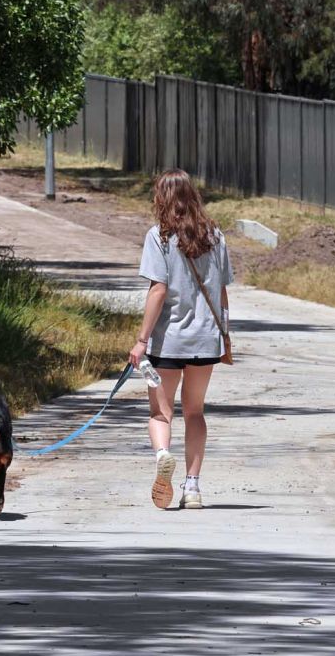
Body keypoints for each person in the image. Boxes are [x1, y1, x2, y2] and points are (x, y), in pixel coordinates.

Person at [128, 169, 233, 510]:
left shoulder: (158, 237)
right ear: (192, 195)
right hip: (205, 341)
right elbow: (221, 294)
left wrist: (142, 340)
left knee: (161, 414)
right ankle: (192, 487)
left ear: (162, 197)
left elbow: (158, 290)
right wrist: (225, 336)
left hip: (167, 342)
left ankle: (162, 455)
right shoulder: (215, 236)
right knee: (195, 412)